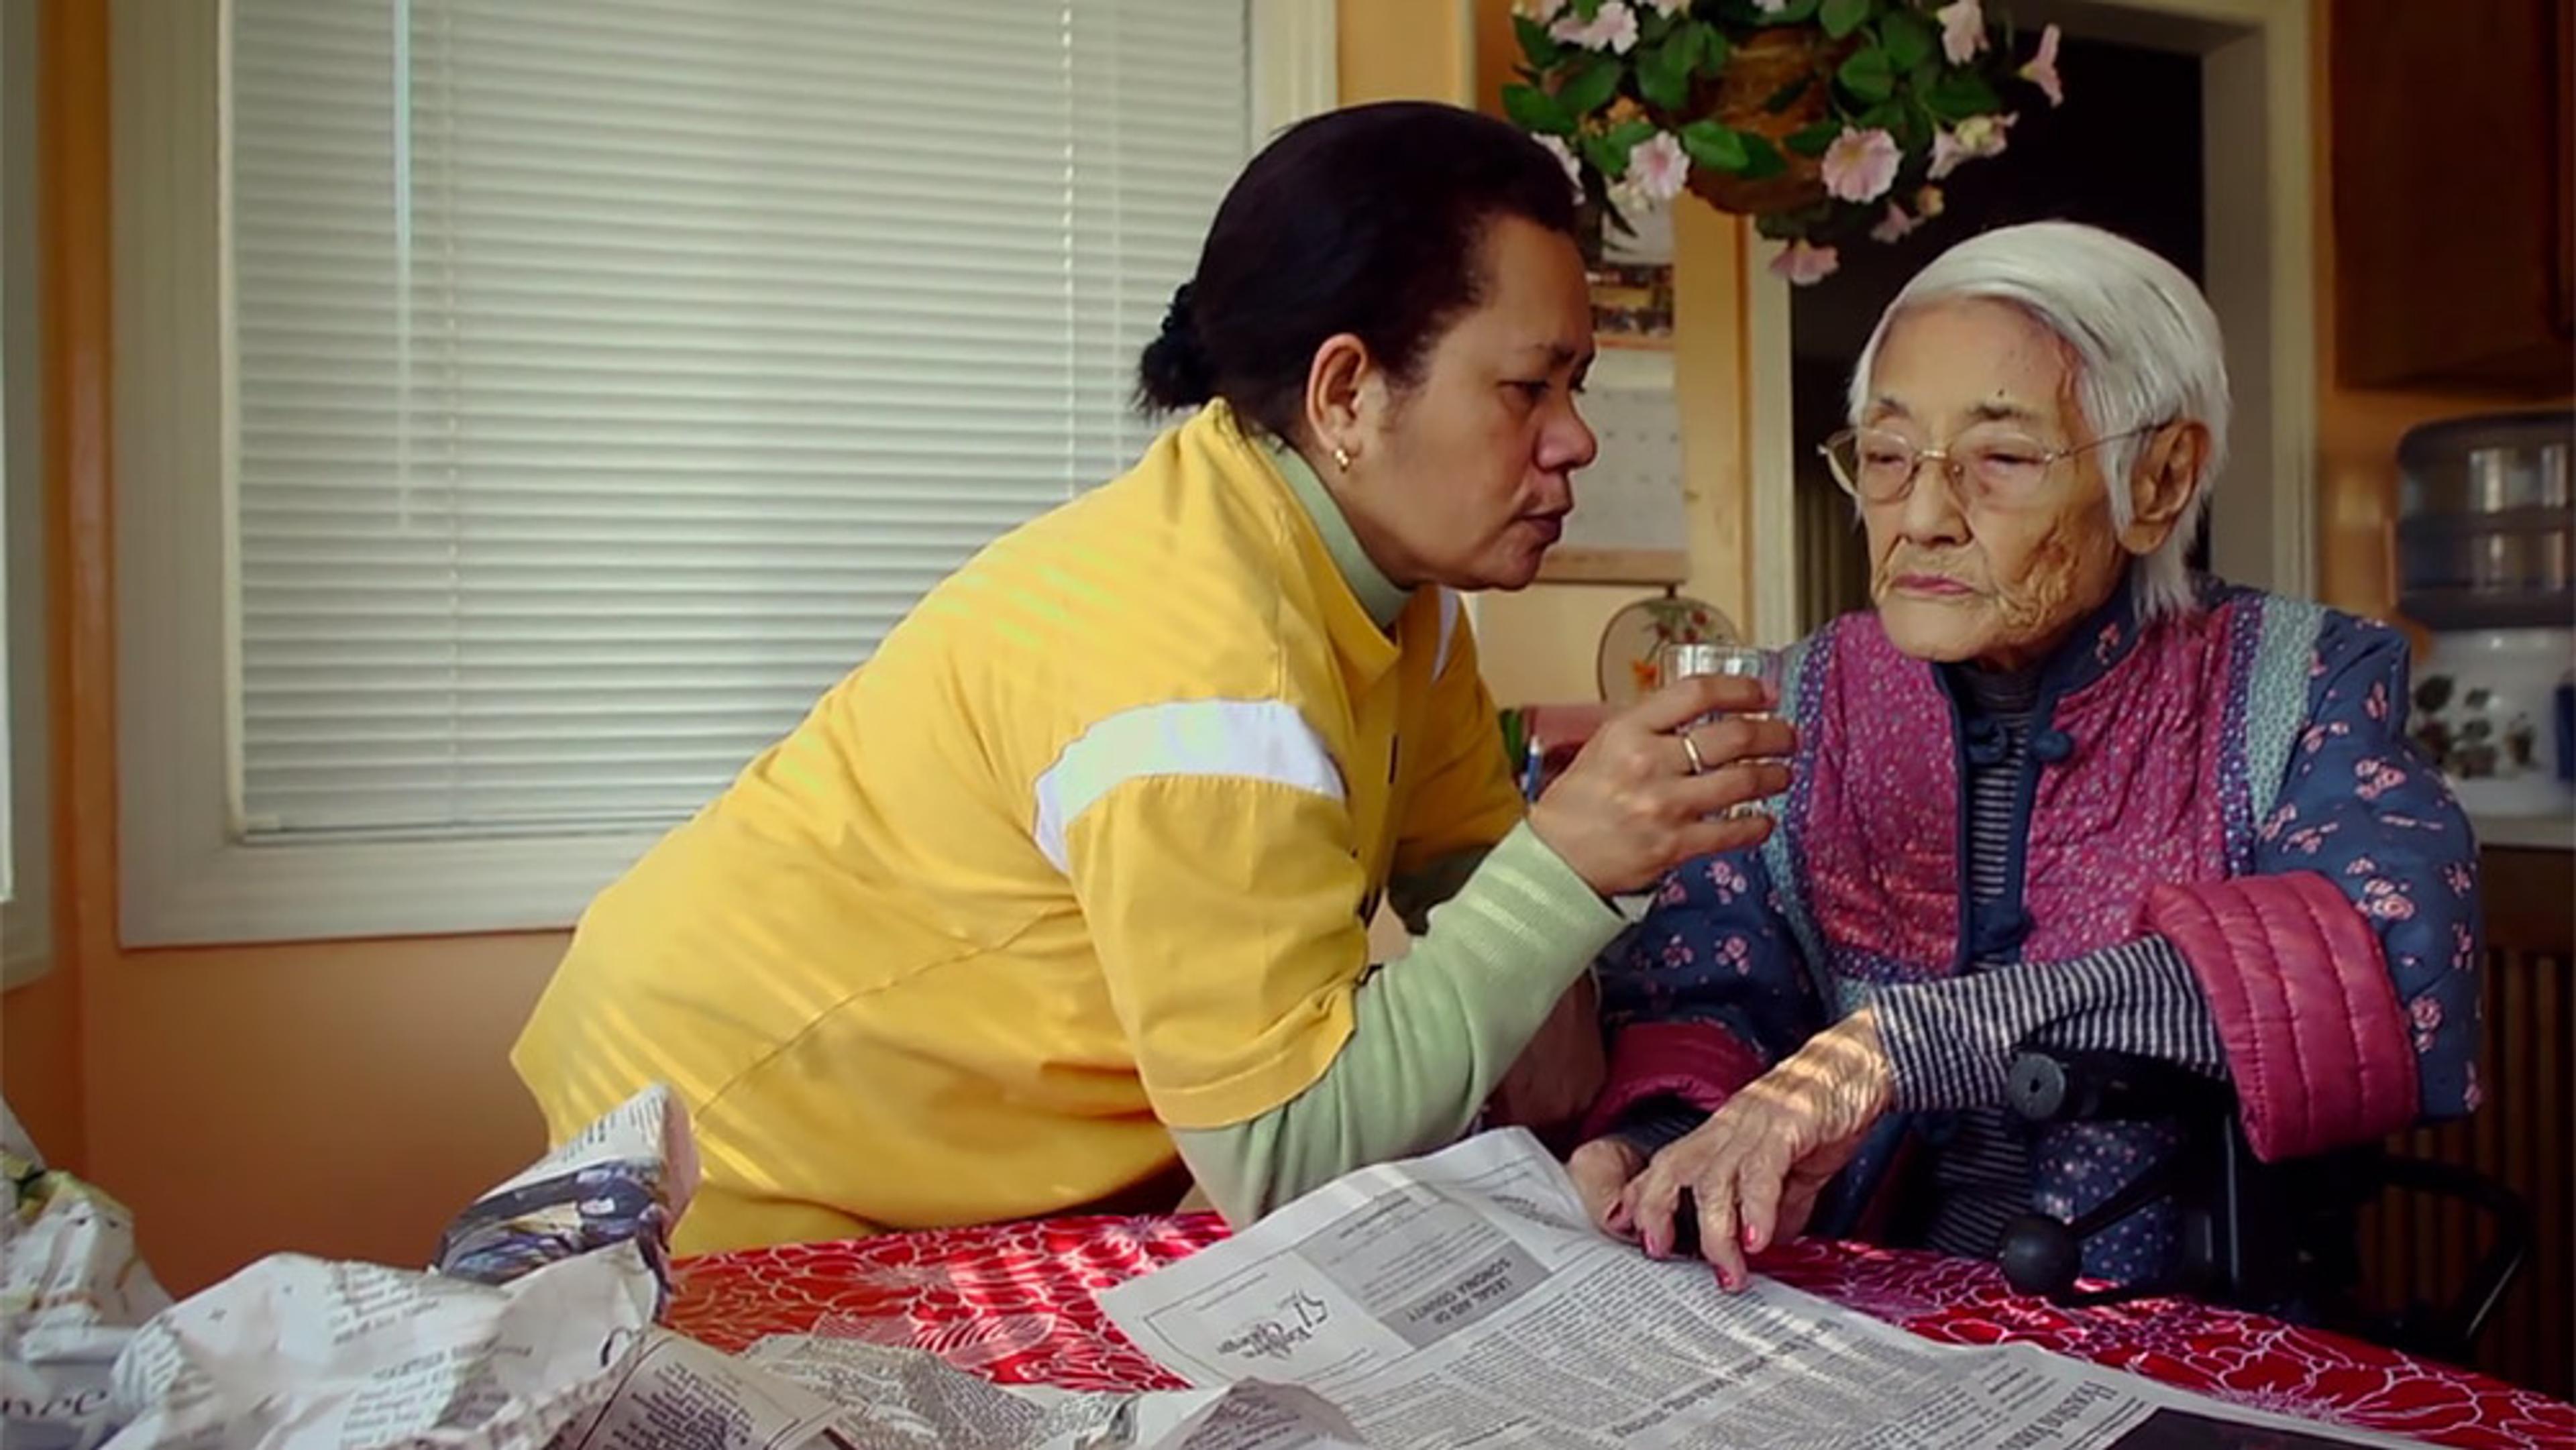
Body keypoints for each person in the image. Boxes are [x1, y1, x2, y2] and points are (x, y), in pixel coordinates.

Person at [511, 101, 1796, 1256]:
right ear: (1345, 393)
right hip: (738, 1134)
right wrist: (1567, 870)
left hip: (963, 1140)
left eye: (1575, 382)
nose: (1575, 438)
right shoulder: (1207, 665)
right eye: (1527, 387)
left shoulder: (1411, 610)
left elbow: (1523, 1003)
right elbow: (1284, 1154)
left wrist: (1581, 909)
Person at [1566, 222, 2482, 1293]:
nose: (1921, 518)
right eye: (1888, 454)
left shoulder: (2303, 682)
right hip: (1851, 1303)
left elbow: (2375, 950)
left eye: (2000, 459)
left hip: (2163, 1324)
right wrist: (1655, 1139)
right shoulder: (1796, 702)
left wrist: (1901, 1046)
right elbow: (1715, 984)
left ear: (2159, 479)